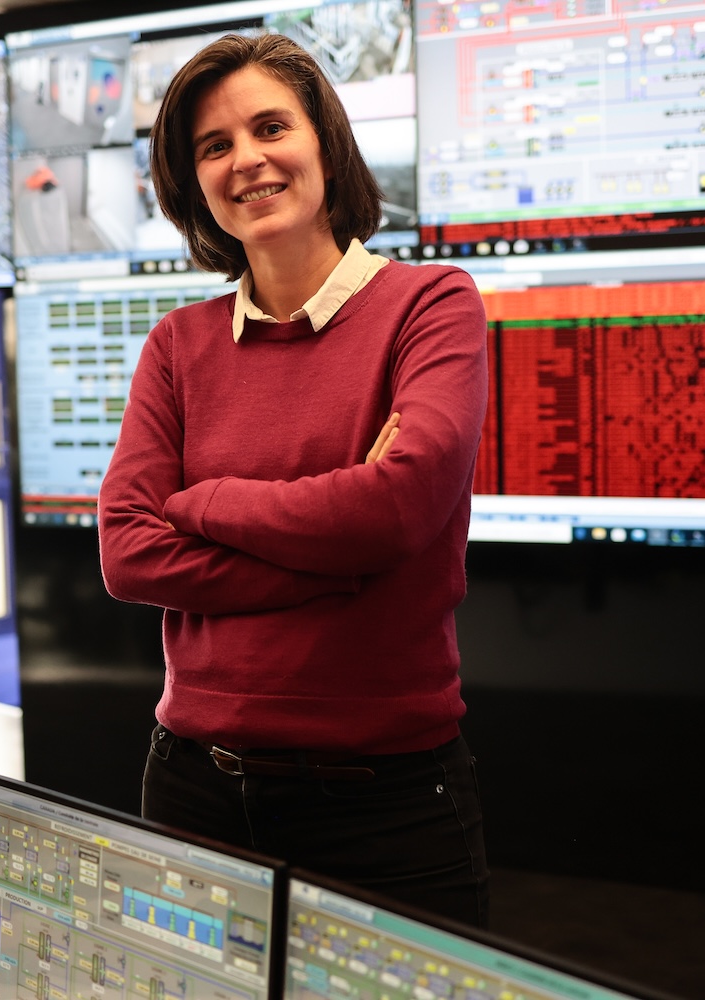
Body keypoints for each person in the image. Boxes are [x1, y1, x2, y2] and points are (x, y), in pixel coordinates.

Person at [97, 32, 490, 928]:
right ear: (193, 182)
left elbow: (396, 511)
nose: (247, 159)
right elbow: (128, 554)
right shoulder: (177, 346)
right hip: (192, 785)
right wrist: (337, 563)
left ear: (326, 144)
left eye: (270, 127)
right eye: (214, 145)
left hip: (386, 804)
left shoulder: (431, 307)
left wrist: (203, 505)